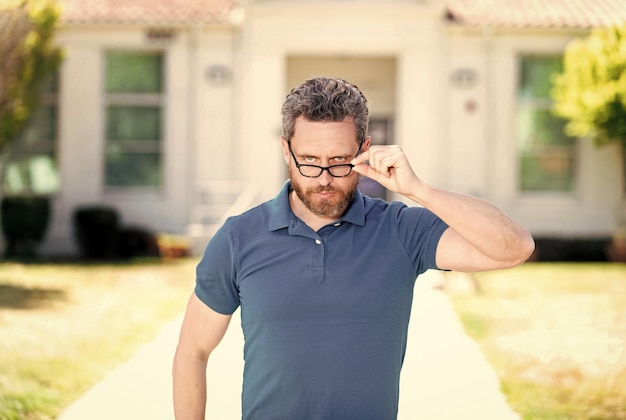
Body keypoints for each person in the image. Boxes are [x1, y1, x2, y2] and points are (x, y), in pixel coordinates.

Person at [173, 77, 535, 419]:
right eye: (310, 161)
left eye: (338, 161)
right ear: (287, 151)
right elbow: (193, 350)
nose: (325, 178)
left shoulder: (401, 230)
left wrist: (418, 190)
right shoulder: (240, 237)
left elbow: (513, 247)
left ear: (364, 149)